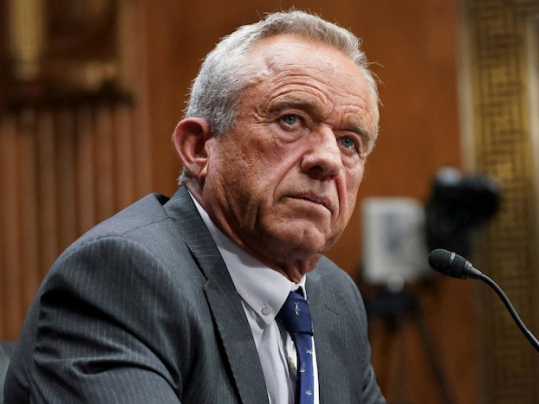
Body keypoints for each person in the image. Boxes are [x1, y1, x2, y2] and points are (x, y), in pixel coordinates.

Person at [4, 10, 386, 404]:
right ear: (199, 148)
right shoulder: (125, 276)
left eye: (348, 142)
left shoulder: (335, 297)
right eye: (291, 120)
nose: (328, 160)